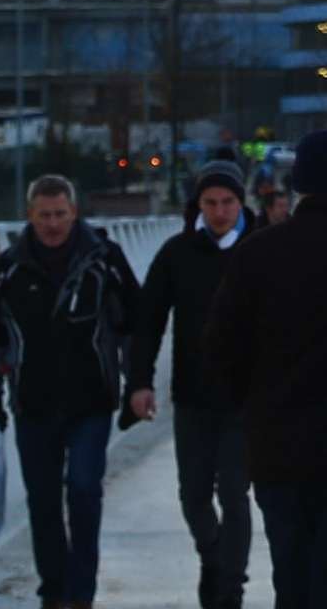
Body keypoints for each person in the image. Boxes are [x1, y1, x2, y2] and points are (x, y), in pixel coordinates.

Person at [209, 130, 327, 609]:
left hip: (278, 448)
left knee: (294, 579)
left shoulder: (256, 253)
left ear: (298, 182)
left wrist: (249, 413)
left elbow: (224, 350)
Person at [0, 174, 143, 609]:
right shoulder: (9, 267)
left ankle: (80, 594)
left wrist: (135, 385)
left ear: (75, 214)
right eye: (44, 216)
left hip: (92, 400)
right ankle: (54, 591)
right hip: (34, 402)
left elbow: (133, 322)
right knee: (44, 501)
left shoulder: (104, 260)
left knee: (85, 489)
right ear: (29, 217)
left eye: (60, 215)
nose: (53, 224)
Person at [133, 161, 259, 609]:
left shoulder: (260, 250)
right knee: (194, 495)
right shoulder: (177, 254)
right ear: (198, 205)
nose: (221, 211)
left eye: (228, 202)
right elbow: (148, 321)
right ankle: (216, 560)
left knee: (233, 492)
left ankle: (230, 588)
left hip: (246, 397)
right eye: (211, 203)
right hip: (192, 395)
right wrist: (140, 381)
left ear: (241, 202)